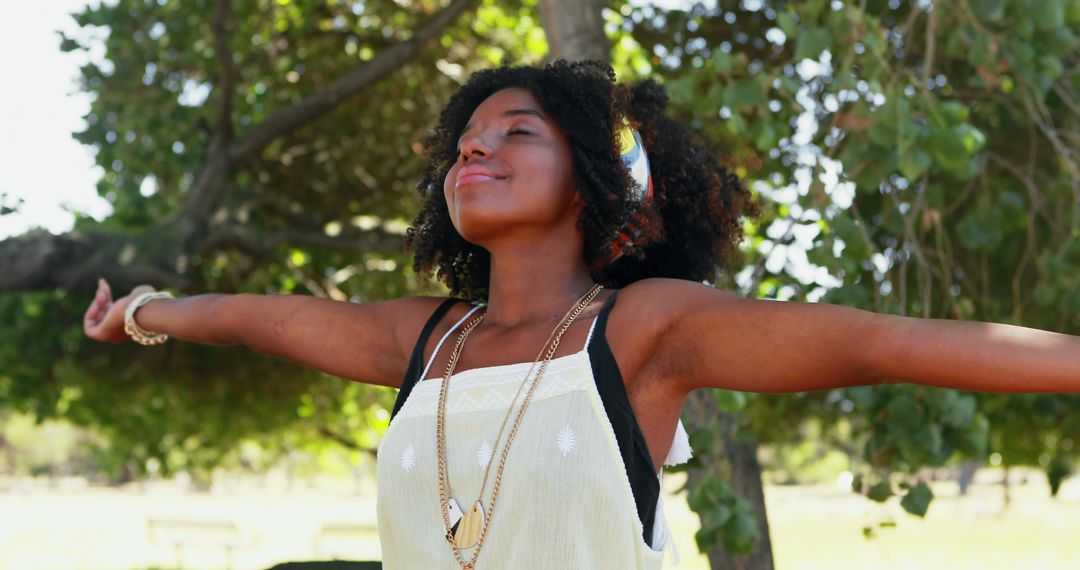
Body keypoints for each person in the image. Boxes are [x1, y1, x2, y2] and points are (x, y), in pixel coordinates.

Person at [84, 61, 1080, 569]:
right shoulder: (423, 339)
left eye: (515, 134)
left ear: (589, 183)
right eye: (465, 142)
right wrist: (141, 310)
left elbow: (885, 344)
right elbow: (264, 315)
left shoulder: (643, 330)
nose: (472, 153)